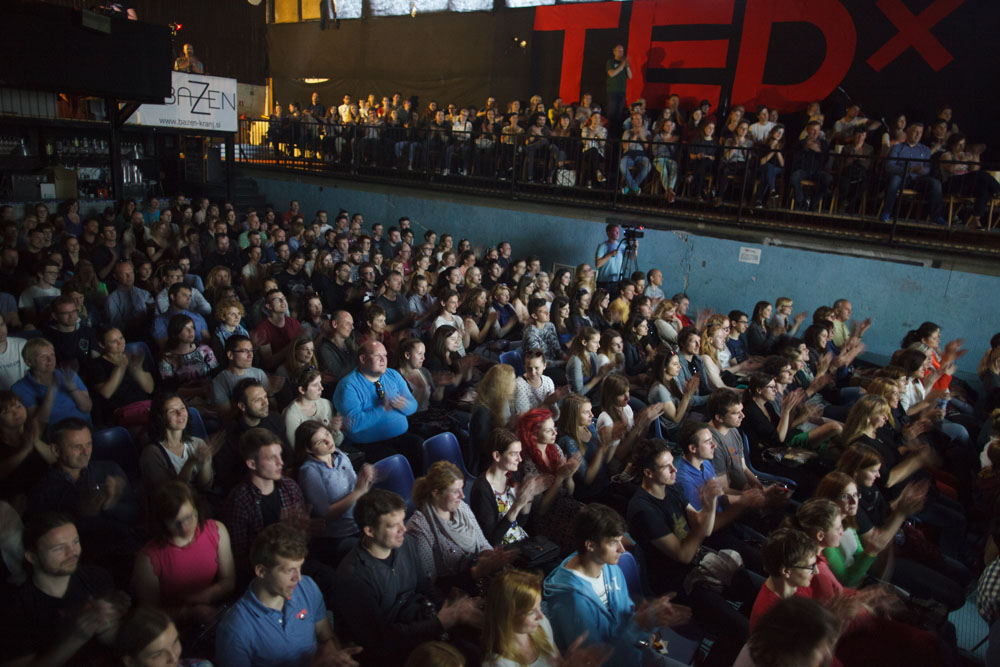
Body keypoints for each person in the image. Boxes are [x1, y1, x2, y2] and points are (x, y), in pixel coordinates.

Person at [626, 438, 759, 667]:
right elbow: (683, 555)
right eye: (667, 466)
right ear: (648, 472)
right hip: (675, 582)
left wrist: (709, 506)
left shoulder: (672, 488)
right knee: (742, 632)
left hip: (695, 562)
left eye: (673, 463)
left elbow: (702, 528)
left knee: (755, 592)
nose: (675, 469)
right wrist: (708, 510)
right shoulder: (643, 511)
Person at [334, 489, 484, 665]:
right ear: (370, 530)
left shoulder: (406, 544)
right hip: (394, 651)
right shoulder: (352, 578)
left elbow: (424, 586)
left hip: (421, 625)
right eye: (393, 525)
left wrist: (452, 609)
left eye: (402, 521)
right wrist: (439, 622)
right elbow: (379, 640)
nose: (403, 529)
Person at [543, 503, 693, 666]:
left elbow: (627, 614)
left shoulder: (608, 566)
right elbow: (601, 662)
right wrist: (641, 625)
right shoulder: (570, 604)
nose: (622, 549)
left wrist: (649, 621)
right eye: (614, 542)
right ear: (590, 545)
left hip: (636, 651)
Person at [215, 522, 361, 667]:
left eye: (300, 568)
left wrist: (332, 654)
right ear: (261, 571)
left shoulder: (307, 587)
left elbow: (326, 637)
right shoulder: (235, 629)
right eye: (289, 570)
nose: (298, 578)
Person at [0, 513, 130, 666]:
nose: (72, 552)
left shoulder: (97, 578)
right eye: (59, 548)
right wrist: (75, 638)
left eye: (75, 542)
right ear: (32, 557)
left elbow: (116, 640)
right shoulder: (15, 607)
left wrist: (109, 626)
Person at [132, 480, 236, 625]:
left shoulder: (216, 530)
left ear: (197, 510)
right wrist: (189, 612)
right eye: (176, 522)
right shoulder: (148, 558)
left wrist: (207, 595)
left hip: (214, 611)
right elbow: (150, 614)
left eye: (189, 517)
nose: (185, 527)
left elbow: (229, 581)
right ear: (162, 522)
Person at [406, 460, 518, 588]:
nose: (462, 495)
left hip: (479, 577)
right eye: (455, 491)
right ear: (436, 493)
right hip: (456, 591)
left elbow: (482, 543)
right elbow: (430, 582)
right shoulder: (420, 527)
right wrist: (476, 572)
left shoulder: (462, 508)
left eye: (461, 489)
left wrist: (491, 557)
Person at [483, 567, 611, 667]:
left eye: (539, 607)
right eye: (531, 612)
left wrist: (570, 662)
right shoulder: (498, 664)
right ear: (508, 615)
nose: (540, 615)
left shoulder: (540, 625)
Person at [294, 420, 372, 563]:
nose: (328, 441)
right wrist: (357, 492)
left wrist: (365, 480)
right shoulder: (309, 472)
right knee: (371, 551)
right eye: (320, 442)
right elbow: (324, 517)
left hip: (359, 521)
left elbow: (357, 486)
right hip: (339, 535)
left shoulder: (340, 455)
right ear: (309, 449)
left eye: (327, 434)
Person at [332, 340, 420, 465]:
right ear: (362, 359)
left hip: (400, 436)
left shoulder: (393, 375)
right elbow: (352, 424)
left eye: (385, 356)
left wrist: (404, 405)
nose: (383, 360)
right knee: (394, 461)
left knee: (420, 445)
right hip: (369, 445)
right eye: (378, 356)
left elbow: (413, 406)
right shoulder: (348, 386)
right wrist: (382, 409)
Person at [140, 393, 214, 497]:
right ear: (160, 417)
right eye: (172, 411)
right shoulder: (152, 453)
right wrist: (190, 463)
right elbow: (169, 495)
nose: (180, 413)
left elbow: (205, 487)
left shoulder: (197, 443)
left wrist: (206, 461)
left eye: (182, 408)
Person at [87, 327, 154, 425]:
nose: (120, 343)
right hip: (121, 412)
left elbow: (149, 389)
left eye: (121, 338)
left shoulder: (134, 358)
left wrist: (137, 370)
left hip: (146, 406)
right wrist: (120, 367)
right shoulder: (96, 365)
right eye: (114, 341)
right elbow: (106, 393)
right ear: (102, 345)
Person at [882, 122, 943, 223]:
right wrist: (909, 169)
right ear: (908, 132)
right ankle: (887, 212)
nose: (918, 134)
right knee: (894, 180)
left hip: (917, 179)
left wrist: (922, 170)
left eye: (920, 132)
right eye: (915, 131)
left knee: (936, 183)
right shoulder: (897, 147)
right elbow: (889, 166)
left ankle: (935, 216)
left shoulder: (925, 150)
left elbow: (927, 168)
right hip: (902, 177)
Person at [605, 45, 632, 126]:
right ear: (614, 52)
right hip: (612, 91)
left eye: (622, 51)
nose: (621, 53)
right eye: (619, 50)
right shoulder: (611, 62)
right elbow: (611, 74)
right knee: (611, 111)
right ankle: (609, 130)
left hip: (622, 91)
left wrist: (627, 66)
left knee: (619, 112)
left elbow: (630, 77)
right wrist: (622, 65)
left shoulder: (624, 63)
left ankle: (616, 131)